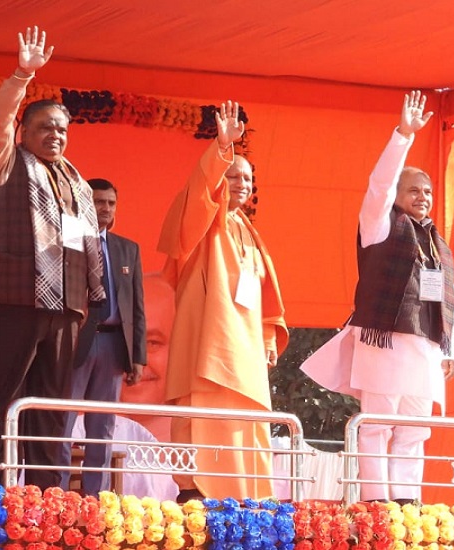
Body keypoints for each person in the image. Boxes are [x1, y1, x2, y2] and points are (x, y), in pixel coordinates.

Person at [0, 27, 104, 489]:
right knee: (1, 402)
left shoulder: (79, 184)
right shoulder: (4, 161)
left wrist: (93, 298)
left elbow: (89, 246)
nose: (55, 135)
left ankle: (46, 501)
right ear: (24, 133)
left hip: (64, 311)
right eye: (45, 127)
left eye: (62, 128)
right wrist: (23, 76)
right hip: (9, 302)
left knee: (49, 410)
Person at [302, 90, 454, 504]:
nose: (423, 197)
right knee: (377, 424)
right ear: (397, 196)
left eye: (427, 191)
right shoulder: (380, 225)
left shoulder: (437, 242)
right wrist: (403, 137)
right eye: (414, 190)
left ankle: (406, 502)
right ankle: (376, 502)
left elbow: (447, 302)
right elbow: (379, 186)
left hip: (426, 349)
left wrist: (450, 348)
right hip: (384, 342)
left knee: (415, 428)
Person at [157, 100, 288, 501]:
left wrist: (267, 340)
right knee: (205, 422)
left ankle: (249, 500)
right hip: (209, 349)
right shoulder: (206, 224)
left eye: (246, 179)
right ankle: (198, 492)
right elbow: (201, 193)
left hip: (246, 355)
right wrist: (221, 149)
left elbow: (265, 298)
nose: (240, 184)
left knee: (248, 427)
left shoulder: (248, 231)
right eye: (232, 177)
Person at [60, 178, 146, 495]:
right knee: (63, 423)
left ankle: (95, 500)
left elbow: (136, 307)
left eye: (111, 203)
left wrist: (137, 357)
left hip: (112, 344)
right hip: (75, 341)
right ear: (85, 204)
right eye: (98, 202)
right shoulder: (67, 240)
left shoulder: (127, 249)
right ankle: (56, 495)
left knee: (102, 428)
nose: (105, 208)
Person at [119, 272, 175, 443]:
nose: (136, 361)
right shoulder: (73, 441)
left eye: (152, 343)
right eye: (123, 343)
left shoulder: (217, 449)